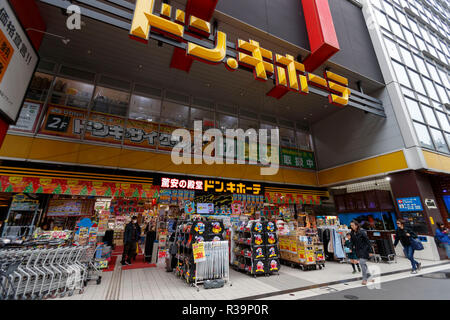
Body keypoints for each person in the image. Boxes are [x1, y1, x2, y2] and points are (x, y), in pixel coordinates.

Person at [350, 220, 374, 285]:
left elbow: (368, 241)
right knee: (363, 264)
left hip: (364, 250)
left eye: (352, 225)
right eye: (351, 225)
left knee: (362, 263)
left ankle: (364, 279)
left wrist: (370, 251)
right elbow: (352, 242)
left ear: (356, 225)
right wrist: (351, 248)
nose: (351, 227)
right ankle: (369, 277)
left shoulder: (362, 232)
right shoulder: (352, 233)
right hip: (358, 250)